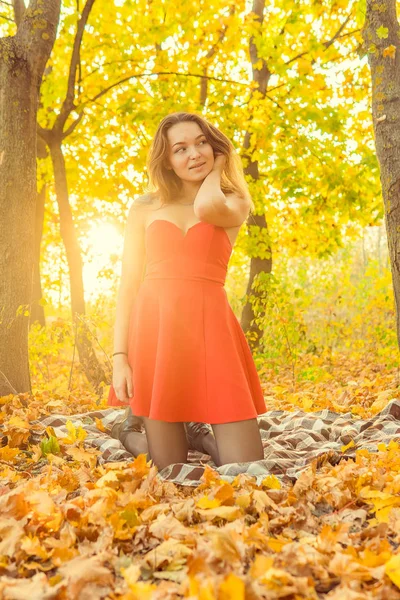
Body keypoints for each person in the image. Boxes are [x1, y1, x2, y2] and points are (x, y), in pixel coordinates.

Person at [108, 111, 265, 471]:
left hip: (212, 331)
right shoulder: (144, 207)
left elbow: (206, 208)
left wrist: (220, 164)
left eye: (201, 143)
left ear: (215, 147)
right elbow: (129, 283)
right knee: (168, 465)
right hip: (156, 332)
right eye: (180, 149)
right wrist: (120, 356)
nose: (194, 154)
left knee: (246, 466)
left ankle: (202, 437)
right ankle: (128, 433)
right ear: (166, 160)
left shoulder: (233, 201)